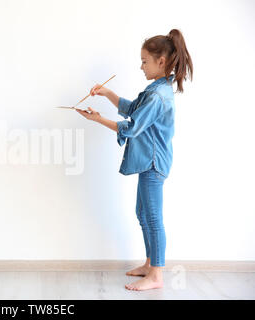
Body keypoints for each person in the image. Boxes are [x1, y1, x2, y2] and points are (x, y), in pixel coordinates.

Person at [77, 28, 193, 291]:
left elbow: (131, 127)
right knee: (142, 213)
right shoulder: (156, 89)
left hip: (154, 163)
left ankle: (157, 275)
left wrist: (97, 119)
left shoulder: (158, 95)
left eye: (144, 61)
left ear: (160, 61)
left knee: (152, 217)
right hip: (148, 161)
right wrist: (107, 93)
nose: (141, 66)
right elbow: (132, 110)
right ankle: (150, 263)